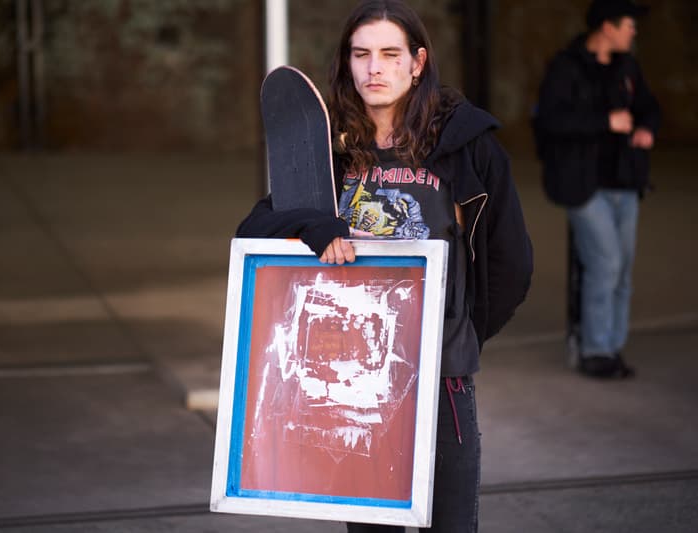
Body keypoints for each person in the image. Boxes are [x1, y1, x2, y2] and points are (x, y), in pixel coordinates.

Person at [237, 1, 532, 530]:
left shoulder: (468, 148)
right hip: (354, 392)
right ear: (348, 63)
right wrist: (313, 223)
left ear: (417, 63)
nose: (375, 68)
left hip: (441, 382)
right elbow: (252, 231)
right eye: (361, 54)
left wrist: (456, 337)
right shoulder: (330, 151)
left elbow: (512, 263)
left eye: (390, 54)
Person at [534, 0, 659, 379]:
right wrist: (605, 121)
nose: (634, 31)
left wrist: (646, 128)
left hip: (625, 182)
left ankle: (611, 346)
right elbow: (549, 121)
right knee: (605, 263)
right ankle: (595, 349)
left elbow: (650, 107)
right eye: (628, 24)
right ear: (607, 27)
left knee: (621, 270)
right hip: (582, 185)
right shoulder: (565, 68)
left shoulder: (628, 67)